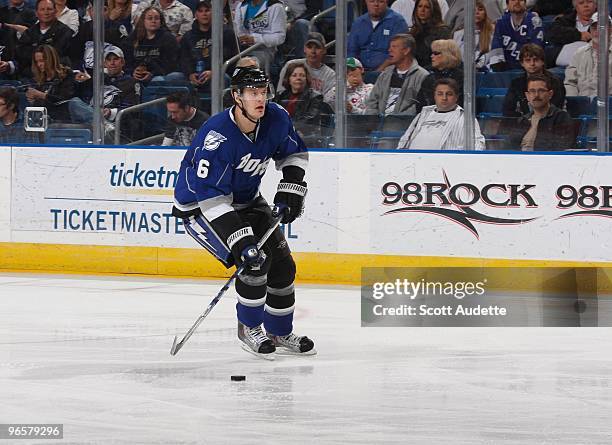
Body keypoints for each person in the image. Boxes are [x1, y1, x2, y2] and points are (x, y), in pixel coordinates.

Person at [172, 67, 315, 358]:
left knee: (283, 267)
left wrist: (292, 186)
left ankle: (280, 331)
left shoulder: (276, 117)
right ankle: (249, 328)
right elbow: (209, 196)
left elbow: (294, 153)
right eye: (252, 93)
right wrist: (240, 240)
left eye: (263, 91)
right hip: (201, 207)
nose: (260, 98)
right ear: (236, 96)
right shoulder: (217, 137)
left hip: (247, 198)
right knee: (253, 262)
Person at [68, 46, 141, 140]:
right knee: (74, 102)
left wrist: (111, 112)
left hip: (116, 126)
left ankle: (105, 125)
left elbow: (133, 109)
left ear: (122, 62)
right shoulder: (96, 80)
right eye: (109, 60)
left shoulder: (131, 82)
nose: (112, 62)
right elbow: (82, 102)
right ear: (104, 63)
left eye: (116, 59)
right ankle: (103, 125)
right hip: (91, 123)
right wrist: (79, 81)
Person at [398, 78, 485, 150]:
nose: (444, 98)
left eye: (449, 94)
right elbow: (405, 140)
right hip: (412, 164)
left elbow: (478, 145)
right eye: (440, 94)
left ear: (456, 97)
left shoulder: (466, 119)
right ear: (434, 96)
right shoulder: (422, 115)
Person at [504, 74, 576, 151]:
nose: (536, 95)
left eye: (541, 91)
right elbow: (509, 148)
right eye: (532, 91)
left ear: (550, 94)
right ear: (527, 95)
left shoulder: (561, 118)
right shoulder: (522, 121)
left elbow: (561, 147)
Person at [180, 0, 238, 93]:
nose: (204, 14)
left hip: (220, 73)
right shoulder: (188, 37)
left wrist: (215, 72)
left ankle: (221, 106)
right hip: (194, 75)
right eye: (200, 11)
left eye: (207, 10)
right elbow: (184, 59)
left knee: (224, 78)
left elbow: (232, 58)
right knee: (174, 77)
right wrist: (190, 74)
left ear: (213, 13)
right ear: (195, 15)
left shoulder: (226, 33)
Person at [365, 33, 429, 115]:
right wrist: (373, 120)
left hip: (405, 124)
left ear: (406, 50)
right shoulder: (385, 74)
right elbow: (372, 101)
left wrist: (397, 120)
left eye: (394, 47)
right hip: (379, 124)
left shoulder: (422, 76)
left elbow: (419, 106)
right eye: (390, 46)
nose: (389, 50)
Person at [274, 62, 333, 144]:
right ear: (289, 79)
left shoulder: (315, 97)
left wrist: (288, 129)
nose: (298, 78)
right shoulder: (281, 96)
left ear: (307, 78)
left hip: (306, 138)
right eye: (294, 75)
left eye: (302, 75)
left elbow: (309, 119)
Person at [503, 44, 565, 117]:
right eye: (528, 60)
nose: (532, 64)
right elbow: (508, 110)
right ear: (522, 63)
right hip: (523, 124)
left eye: (536, 60)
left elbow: (556, 109)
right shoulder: (516, 83)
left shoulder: (556, 82)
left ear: (543, 61)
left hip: (549, 124)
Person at [347, 0, 408, 72]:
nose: (376, 4)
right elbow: (352, 52)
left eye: (380, 1)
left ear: (386, 2)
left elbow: (398, 54)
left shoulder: (398, 22)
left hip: (388, 72)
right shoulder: (358, 23)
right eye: (372, 1)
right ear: (366, 2)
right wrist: (355, 71)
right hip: (360, 73)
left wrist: (378, 71)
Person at [17, 0, 73, 78]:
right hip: (30, 75)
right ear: (36, 13)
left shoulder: (65, 32)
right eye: (42, 9)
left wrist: (34, 51)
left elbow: (55, 55)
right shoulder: (29, 32)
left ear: (55, 11)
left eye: (49, 9)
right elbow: (20, 54)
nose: (46, 13)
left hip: (56, 77)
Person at [125, 6, 182, 83]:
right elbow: (127, 62)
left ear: (161, 21)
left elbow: (171, 65)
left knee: (162, 79)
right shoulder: (133, 38)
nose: (153, 21)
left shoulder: (169, 39)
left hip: (161, 76)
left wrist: (153, 74)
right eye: (150, 18)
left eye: (156, 18)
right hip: (137, 76)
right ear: (143, 21)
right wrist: (133, 72)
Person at [564, 12, 612, 97]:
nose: (598, 32)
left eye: (602, 28)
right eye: (594, 28)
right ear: (590, 30)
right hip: (582, 104)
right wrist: (576, 102)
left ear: (610, 29)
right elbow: (570, 83)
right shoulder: (579, 53)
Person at [233, 0, 287, 74]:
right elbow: (238, 31)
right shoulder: (241, 5)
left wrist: (255, 39)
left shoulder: (275, 6)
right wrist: (242, 38)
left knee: (247, 65)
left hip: (264, 50)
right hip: (242, 48)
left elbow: (279, 37)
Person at [25, 44, 76, 123]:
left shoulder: (66, 75)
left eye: (42, 61)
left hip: (63, 119)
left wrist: (41, 95)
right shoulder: (39, 79)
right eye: (37, 62)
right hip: (44, 119)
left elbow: (65, 100)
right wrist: (32, 101)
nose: (39, 65)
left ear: (51, 59)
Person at [490, 0, 544, 71]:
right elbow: (496, 46)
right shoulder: (501, 22)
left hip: (529, 67)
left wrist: (528, 64)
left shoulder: (534, 20)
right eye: (513, 0)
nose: (517, 2)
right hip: (505, 68)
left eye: (520, 0)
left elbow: (536, 47)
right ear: (507, 5)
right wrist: (498, 70)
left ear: (525, 4)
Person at [276, 32, 335, 97]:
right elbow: (281, 93)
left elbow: (327, 102)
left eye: (317, 48)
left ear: (324, 50)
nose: (313, 51)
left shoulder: (330, 75)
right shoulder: (291, 65)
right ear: (304, 49)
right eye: (309, 47)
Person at [416, 39, 463, 111]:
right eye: (432, 53)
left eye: (436, 53)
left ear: (447, 54)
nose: (431, 56)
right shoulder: (429, 78)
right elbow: (420, 103)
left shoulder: (461, 77)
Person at [546, 0, 596, 67]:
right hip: (561, 68)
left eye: (589, 2)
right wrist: (578, 35)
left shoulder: (605, 23)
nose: (586, 5)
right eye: (581, 3)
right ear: (576, 7)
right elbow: (552, 33)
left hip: (588, 69)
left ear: (596, 5)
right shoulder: (565, 20)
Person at [452, 0, 495, 72]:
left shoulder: (493, 34)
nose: (477, 12)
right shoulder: (458, 34)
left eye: (480, 10)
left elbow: (493, 58)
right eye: (473, 10)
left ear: (485, 13)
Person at [410, 0, 451, 68]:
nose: (422, 10)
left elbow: (443, 57)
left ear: (433, 10)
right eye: (420, 6)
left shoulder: (442, 31)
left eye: (427, 7)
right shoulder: (413, 31)